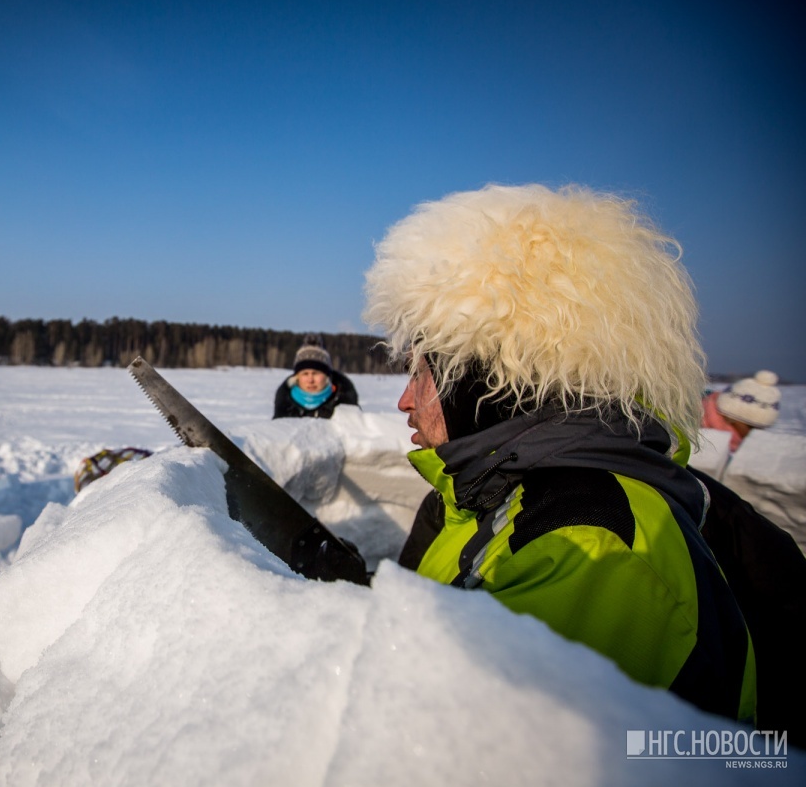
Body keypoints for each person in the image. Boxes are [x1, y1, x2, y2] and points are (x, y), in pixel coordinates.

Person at [365, 184, 756, 722]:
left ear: (484, 378)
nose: (406, 399)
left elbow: (447, 739)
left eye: (421, 373)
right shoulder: (492, 496)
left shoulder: (586, 540)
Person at [272, 336, 359, 419]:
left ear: (327, 376)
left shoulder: (343, 403)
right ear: (297, 377)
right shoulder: (285, 405)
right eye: (305, 374)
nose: (310, 380)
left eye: (315, 373)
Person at [701, 370, 781, 453]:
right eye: (751, 427)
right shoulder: (692, 425)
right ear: (731, 418)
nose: (755, 433)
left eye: (761, 428)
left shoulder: (736, 442)